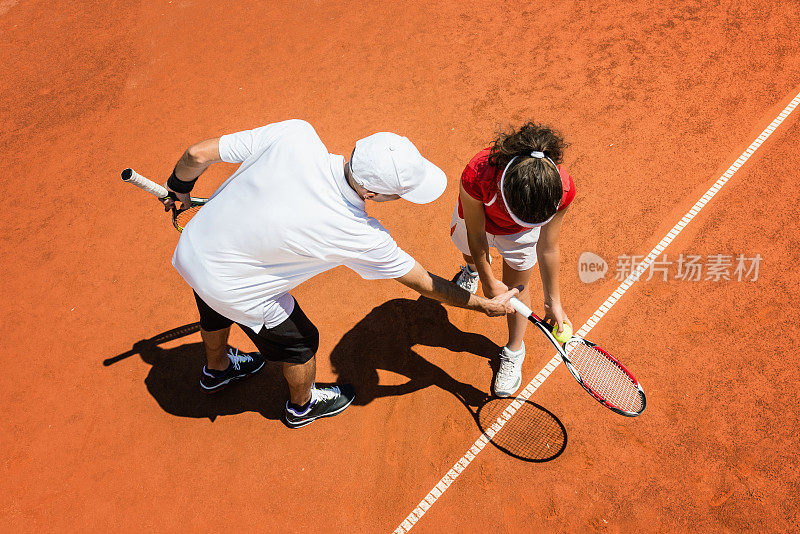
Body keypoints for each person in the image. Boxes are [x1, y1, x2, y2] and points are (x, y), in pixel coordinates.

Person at [160, 119, 518, 428]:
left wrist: (179, 185)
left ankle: (218, 368)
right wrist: (482, 306)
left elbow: (196, 155)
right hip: (234, 285)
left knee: (212, 300)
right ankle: (301, 406)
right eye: (399, 194)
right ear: (374, 193)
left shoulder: (295, 135)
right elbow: (425, 283)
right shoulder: (358, 233)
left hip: (196, 249)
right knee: (300, 343)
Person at [450, 122, 575, 397]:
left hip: (520, 238)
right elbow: (475, 233)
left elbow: (548, 247)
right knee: (470, 252)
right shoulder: (478, 173)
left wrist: (553, 301)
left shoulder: (561, 189)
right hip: (478, 224)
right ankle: (470, 271)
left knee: (517, 287)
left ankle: (514, 350)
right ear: (504, 189)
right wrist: (486, 280)